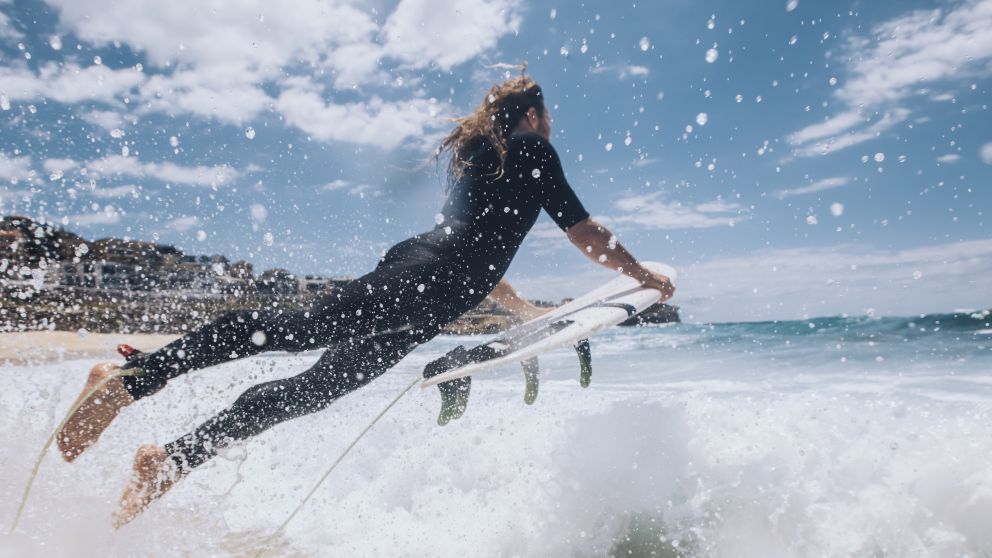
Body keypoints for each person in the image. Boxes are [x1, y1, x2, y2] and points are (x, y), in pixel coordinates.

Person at [54, 75, 675, 527]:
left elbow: (478, 255)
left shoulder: (488, 159)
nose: (550, 122)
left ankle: (169, 460)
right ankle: (135, 376)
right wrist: (641, 273)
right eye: (549, 113)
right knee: (298, 329)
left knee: (310, 390)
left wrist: (519, 310)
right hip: (419, 282)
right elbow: (583, 232)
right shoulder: (532, 148)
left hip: (426, 297)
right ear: (534, 113)